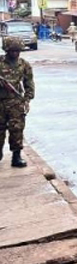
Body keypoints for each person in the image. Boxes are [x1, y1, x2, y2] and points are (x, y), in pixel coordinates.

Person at [0, 37, 34, 167]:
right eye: (12, 51)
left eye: (17, 51)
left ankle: (16, 156)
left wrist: (27, 99)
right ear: (6, 50)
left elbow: (29, 83)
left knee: (17, 129)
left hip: (16, 102)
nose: (15, 53)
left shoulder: (24, 64)